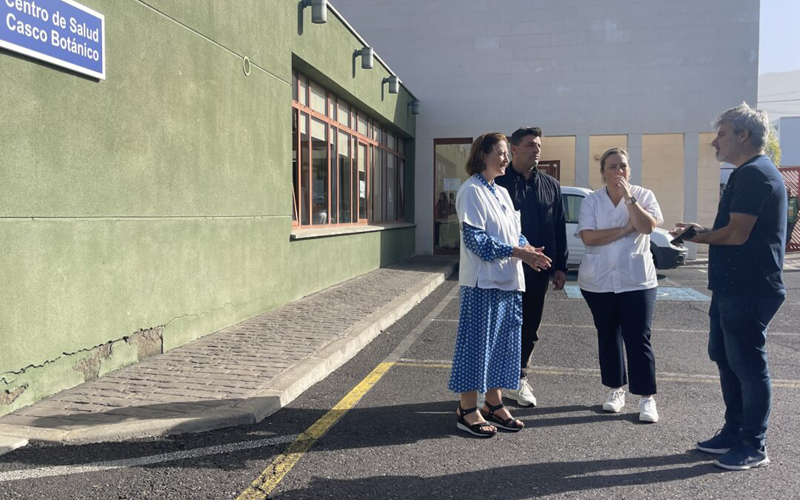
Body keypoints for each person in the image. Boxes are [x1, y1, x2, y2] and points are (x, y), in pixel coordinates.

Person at [673, 103, 787, 470]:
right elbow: (736, 228)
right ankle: (734, 431)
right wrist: (702, 230)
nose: (714, 142)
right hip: (732, 288)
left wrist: (699, 237)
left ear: (743, 135)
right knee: (726, 358)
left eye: (721, 134)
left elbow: (737, 234)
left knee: (748, 365)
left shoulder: (756, 173)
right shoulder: (747, 173)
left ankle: (754, 445)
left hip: (749, 289)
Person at [449, 132, 552, 437]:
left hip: (508, 282)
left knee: (502, 348)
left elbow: (513, 234)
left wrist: (528, 249)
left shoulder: (501, 192)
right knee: (476, 347)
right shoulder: (471, 192)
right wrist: (518, 252)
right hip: (482, 283)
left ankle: (493, 404)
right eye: (501, 152)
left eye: (507, 153)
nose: (506, 158)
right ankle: (467, 409)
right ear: (483, 155)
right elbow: (476, 241)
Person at [575, 148, 662, 423]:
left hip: (637, 280)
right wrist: (625, 230)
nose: (618, 172)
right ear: (603, 173)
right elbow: (589, 237)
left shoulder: (643, 195)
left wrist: (629, 198)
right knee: (608, 335)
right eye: (612, 167)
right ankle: (615, 390)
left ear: (629, 170)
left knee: (638, 337)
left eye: (623, 166)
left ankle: (646, 397)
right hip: (599, 281)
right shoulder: (592, 201)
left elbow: (647, 227)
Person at [495, 127, 568, 407]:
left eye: (538, 145)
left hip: (538, 270)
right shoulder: (498, 183)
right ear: (513, 149)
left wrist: (560, 266)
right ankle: (492, 383)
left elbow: (558, 227)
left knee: (529, 326)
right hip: (505, 268)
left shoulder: (551, 185)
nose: (536, 150)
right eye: (529, 145)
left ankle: (518, 378)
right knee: (502, 325)